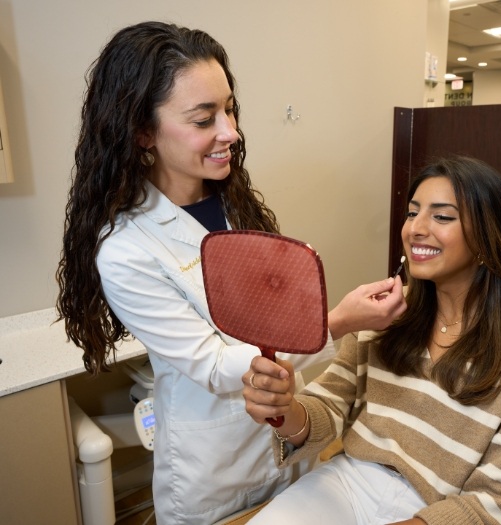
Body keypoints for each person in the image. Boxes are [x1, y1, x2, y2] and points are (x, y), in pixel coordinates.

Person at [55, 21, 406, 525]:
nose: (231, 132)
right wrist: (338, 323)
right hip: (213, 465)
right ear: (142, 132)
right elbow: (214, 363)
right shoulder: (125, 248)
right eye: (204, 119)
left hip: (286, 437)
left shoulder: (231, 203)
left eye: (229, 108)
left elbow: (271, 315)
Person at [243, 156, 501, 525]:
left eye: (442, 216)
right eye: (412, 213)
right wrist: (284, 411)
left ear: (487, 237)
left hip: (441, 511)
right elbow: (327, 408)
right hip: (350, 482)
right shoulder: (386, 316)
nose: (415, 229)